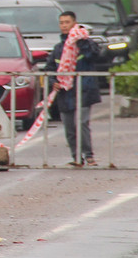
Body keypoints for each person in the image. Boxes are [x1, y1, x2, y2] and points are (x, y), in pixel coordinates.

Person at [43, 11, 103, 166]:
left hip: (84, 89)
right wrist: (52, 81)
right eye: (61, 23)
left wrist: (80, 40)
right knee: (69, 127)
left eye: (67, 22)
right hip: (65, 93)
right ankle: (76, 157)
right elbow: (49, 69)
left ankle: (89, 155)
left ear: (74, 23)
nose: (64, 25)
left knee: (81, 122)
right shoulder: (58, 49)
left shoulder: (86, 43)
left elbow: (94, 55)